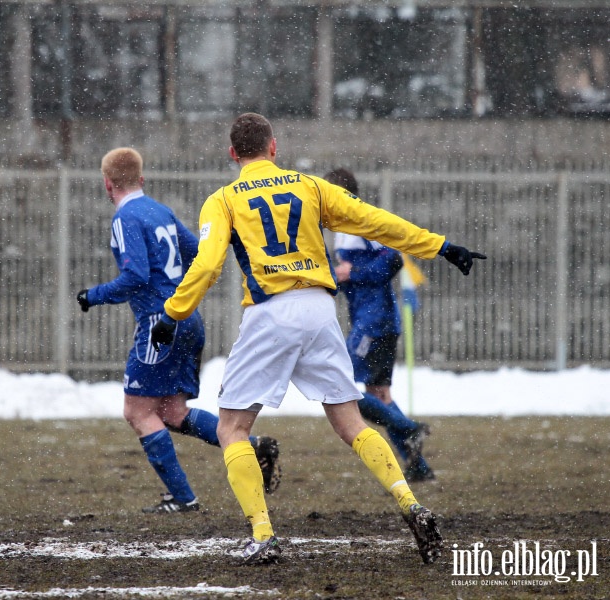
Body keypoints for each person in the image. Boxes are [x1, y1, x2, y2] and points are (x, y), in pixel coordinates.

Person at [150, 113, 485, 564]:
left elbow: (208, 266)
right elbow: (373, 220)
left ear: (233, 154)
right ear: (274, 147)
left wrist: (173, 313)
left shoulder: (224, 199)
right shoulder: (309, 186)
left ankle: (264, 536)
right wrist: (440, 245)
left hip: (270, 312)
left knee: (232, 429)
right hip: (320, 309)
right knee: (352, 424)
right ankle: (411, 502)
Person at [76, 147, 281, 514]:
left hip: (160, 323)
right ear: (141, 179)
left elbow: (134, 277)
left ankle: (184, 498)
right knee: (171, 411)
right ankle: (251, 446)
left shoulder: (125, 218)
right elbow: (199, 252)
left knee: (138, 412)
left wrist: (94, 296)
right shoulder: (161, 211)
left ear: (107, 184)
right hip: (187, 317)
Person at [325, 167, 435, 483]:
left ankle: (408, 428)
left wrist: (351, 273)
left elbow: (394, 260)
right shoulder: (343, 228)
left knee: (341, 382)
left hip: (374, 322)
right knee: (379, 394)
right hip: (371, 320)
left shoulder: (361, 222)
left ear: (340, 195)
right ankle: (418, 467)